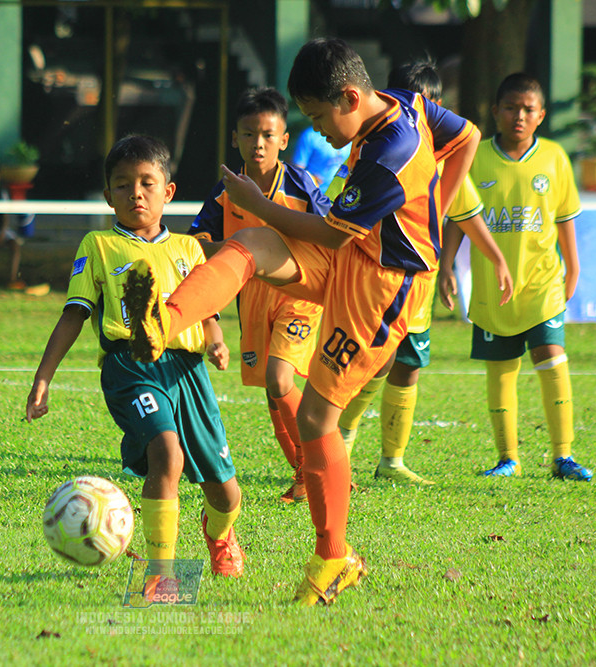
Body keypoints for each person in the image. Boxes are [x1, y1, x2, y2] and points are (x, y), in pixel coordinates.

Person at [123, 38, 480, 605]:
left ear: (349, 95)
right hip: (353, 256)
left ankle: (333, 559)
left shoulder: (391, 154)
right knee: (254, 243)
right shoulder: (403, 101)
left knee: (316, 417)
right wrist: (437, 207)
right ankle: (162, 324)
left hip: (385, 284)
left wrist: (257, 200)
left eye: (318, 118)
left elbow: (332, 232)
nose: (318, 133)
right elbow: (467, 137)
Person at [25, 135, 246, 591]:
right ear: (108, 196)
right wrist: (43, 377)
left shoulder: (189, 249)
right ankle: (161, 575)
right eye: (123, 185)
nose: (135, 193)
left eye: (147, 183)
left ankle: (219, 533)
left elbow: (207, 311)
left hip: (187, 371)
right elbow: (74, 314)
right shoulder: (100, 245)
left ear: (168, 191)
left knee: (227, 492)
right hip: (130, 368)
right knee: (167, 455)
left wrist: (216, 342)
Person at [335, 60, 514, 485]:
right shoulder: (380, 155)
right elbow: (339, 203)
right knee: (373, 364)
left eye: (436, 105)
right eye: (428, 105)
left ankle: (391, 461)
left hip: (421, 286)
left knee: (409, 365)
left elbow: (463, 212)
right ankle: (341, 437)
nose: (434, 115)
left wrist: (494, 259)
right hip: (381, 282)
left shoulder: (442, 159)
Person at [439, 73, 592, 482]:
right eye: (511, 107)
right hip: (493, 288)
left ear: (541, 115)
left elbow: (564, 222)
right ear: (495, 112)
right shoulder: (477, 159)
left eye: (528, 109)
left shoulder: (555, 159)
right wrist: (447, 265)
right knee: (501, 370)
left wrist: (572, 271)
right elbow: (459, 216)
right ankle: (508, 458)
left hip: (542, 283)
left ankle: (563, 457)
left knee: (552, 361)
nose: (518, 116)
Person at [188, 87, 332, 504]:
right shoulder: (224, 192)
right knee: (273, 392)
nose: (259, 143)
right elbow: (198, 246)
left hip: (298, 295)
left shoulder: (302, 185)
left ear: (284, 140)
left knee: (279, 377)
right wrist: (234, 255)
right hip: (251, 301)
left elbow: (330, 235)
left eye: (269, 135)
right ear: (235, 138)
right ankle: (305, 471)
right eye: (250, 134)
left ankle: (320, 462)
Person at [292, 126, 349, 193]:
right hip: (316, 193)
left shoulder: (349, 134)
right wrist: (310, 178)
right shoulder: (310, 135)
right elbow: (297, 169)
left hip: (341, 192)